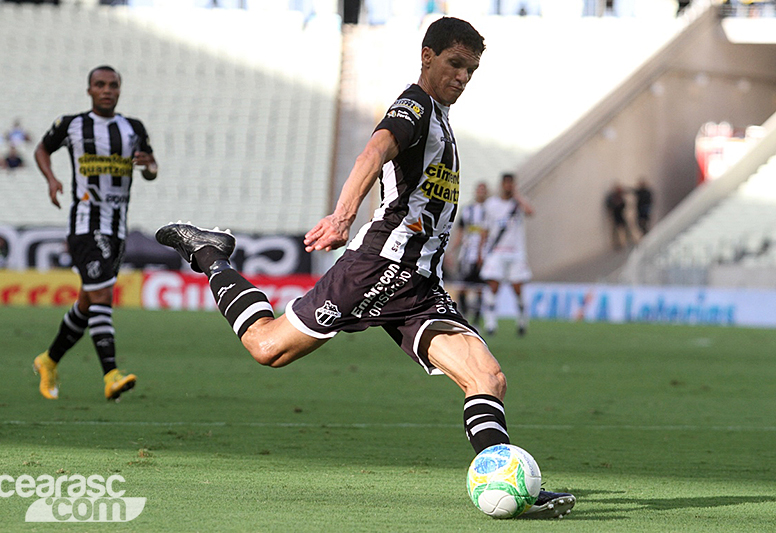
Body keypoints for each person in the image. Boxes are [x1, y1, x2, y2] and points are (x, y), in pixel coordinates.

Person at [156, 17, 574, 519]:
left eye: (472, 69)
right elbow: (374, 151)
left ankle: (511, 488)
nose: (463, 76)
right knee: (267, 348)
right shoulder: (415, 106)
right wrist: (342, 215)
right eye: (455, 64)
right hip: (380, 266)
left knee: (488, 377)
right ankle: (209, 254)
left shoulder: (440, 117)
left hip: (420, 282)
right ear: (427, 57)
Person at [33, 65, 158, 401]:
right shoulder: (72, 124)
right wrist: (52, 179)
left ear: (120, 90)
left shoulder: (133, 128)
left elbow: (151, 169)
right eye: (99, 85)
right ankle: (111, 375)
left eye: (113, 85)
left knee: (88, 303)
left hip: (117, 228)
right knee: (102, 296)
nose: (106, 90)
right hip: (86, 224)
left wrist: (149, 166)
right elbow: (41, 149)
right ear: (89, 90)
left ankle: (48, 360)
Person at [479, 173, 534, 337]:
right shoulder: (491, 204)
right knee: (493, 286)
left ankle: (522, 322)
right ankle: (490, 324)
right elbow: (485, 229)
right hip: (496, 252)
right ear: (501, 184)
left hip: (516, 253)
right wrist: (481, 251)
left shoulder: (518, 203)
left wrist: (517, 196)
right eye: (506, 183)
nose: (508, 186)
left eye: (511, 184)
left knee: (517, 289)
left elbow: (531, 212)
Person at [447, 181, 488, 326]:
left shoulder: (490, 210)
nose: (481, 192)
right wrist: (451, 252)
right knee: (462, 287)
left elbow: (487, 233)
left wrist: (482, 253)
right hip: (466, 254)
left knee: (479, 289)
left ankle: (476, 322)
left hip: (483, 255)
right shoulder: (467, 210)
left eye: (484, 190)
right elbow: (460, 233)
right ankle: (464, 318)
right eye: (479, 189)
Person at [605, 183, 632, 250]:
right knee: (616, 231)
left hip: (621, 215)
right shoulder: (612, 197)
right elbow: (609, 206)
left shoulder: (620, 197)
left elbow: (624, 205)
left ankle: (628, 241)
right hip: (615, 215)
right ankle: (618, 244)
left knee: (625, 228)